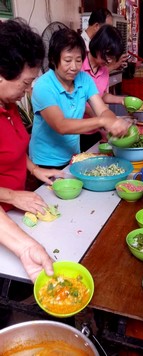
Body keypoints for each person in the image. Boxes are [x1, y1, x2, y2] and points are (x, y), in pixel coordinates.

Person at [0, 18, 62, 281]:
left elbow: (13, 149)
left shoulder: (8, 104)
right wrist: (13, 196)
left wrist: (35, 170)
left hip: (14, 211)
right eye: (25, 83)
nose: (29, 90)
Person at [29, 28, 130, 168]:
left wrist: (113, 121)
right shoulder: (43, 86)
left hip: (74, 156)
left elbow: (101, 109)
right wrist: (102, 121)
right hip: (46, 162)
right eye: (67, 60)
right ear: (53, 59)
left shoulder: (85, 80)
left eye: (78, 60)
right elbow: (61, 125)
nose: (74, 67)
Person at [80, 24, 127, 151]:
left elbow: (101, 96)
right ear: (98, 45)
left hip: (95, 131)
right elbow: (78, 101)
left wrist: (121, 100)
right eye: (107, 56)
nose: (109, 61)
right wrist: (102, 120)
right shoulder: (78, 63)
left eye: (112, 58)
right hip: (77, 131)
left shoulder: (104, 71)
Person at [81, 8, 128, 72]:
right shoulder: (80, 46)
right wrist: (113, 66)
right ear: (96, 26)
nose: (110, 31)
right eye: (107, 27)